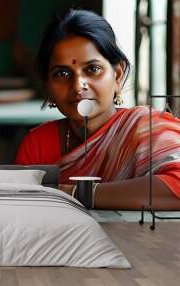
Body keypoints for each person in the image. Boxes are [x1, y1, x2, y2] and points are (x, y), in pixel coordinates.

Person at [15, 9, 180, 210]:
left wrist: (71, 193)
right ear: (48, 84)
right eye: (62, 73)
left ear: (117, 76)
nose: (77, 86)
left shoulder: (145, 129)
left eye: (92, 69)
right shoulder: (38, 145)